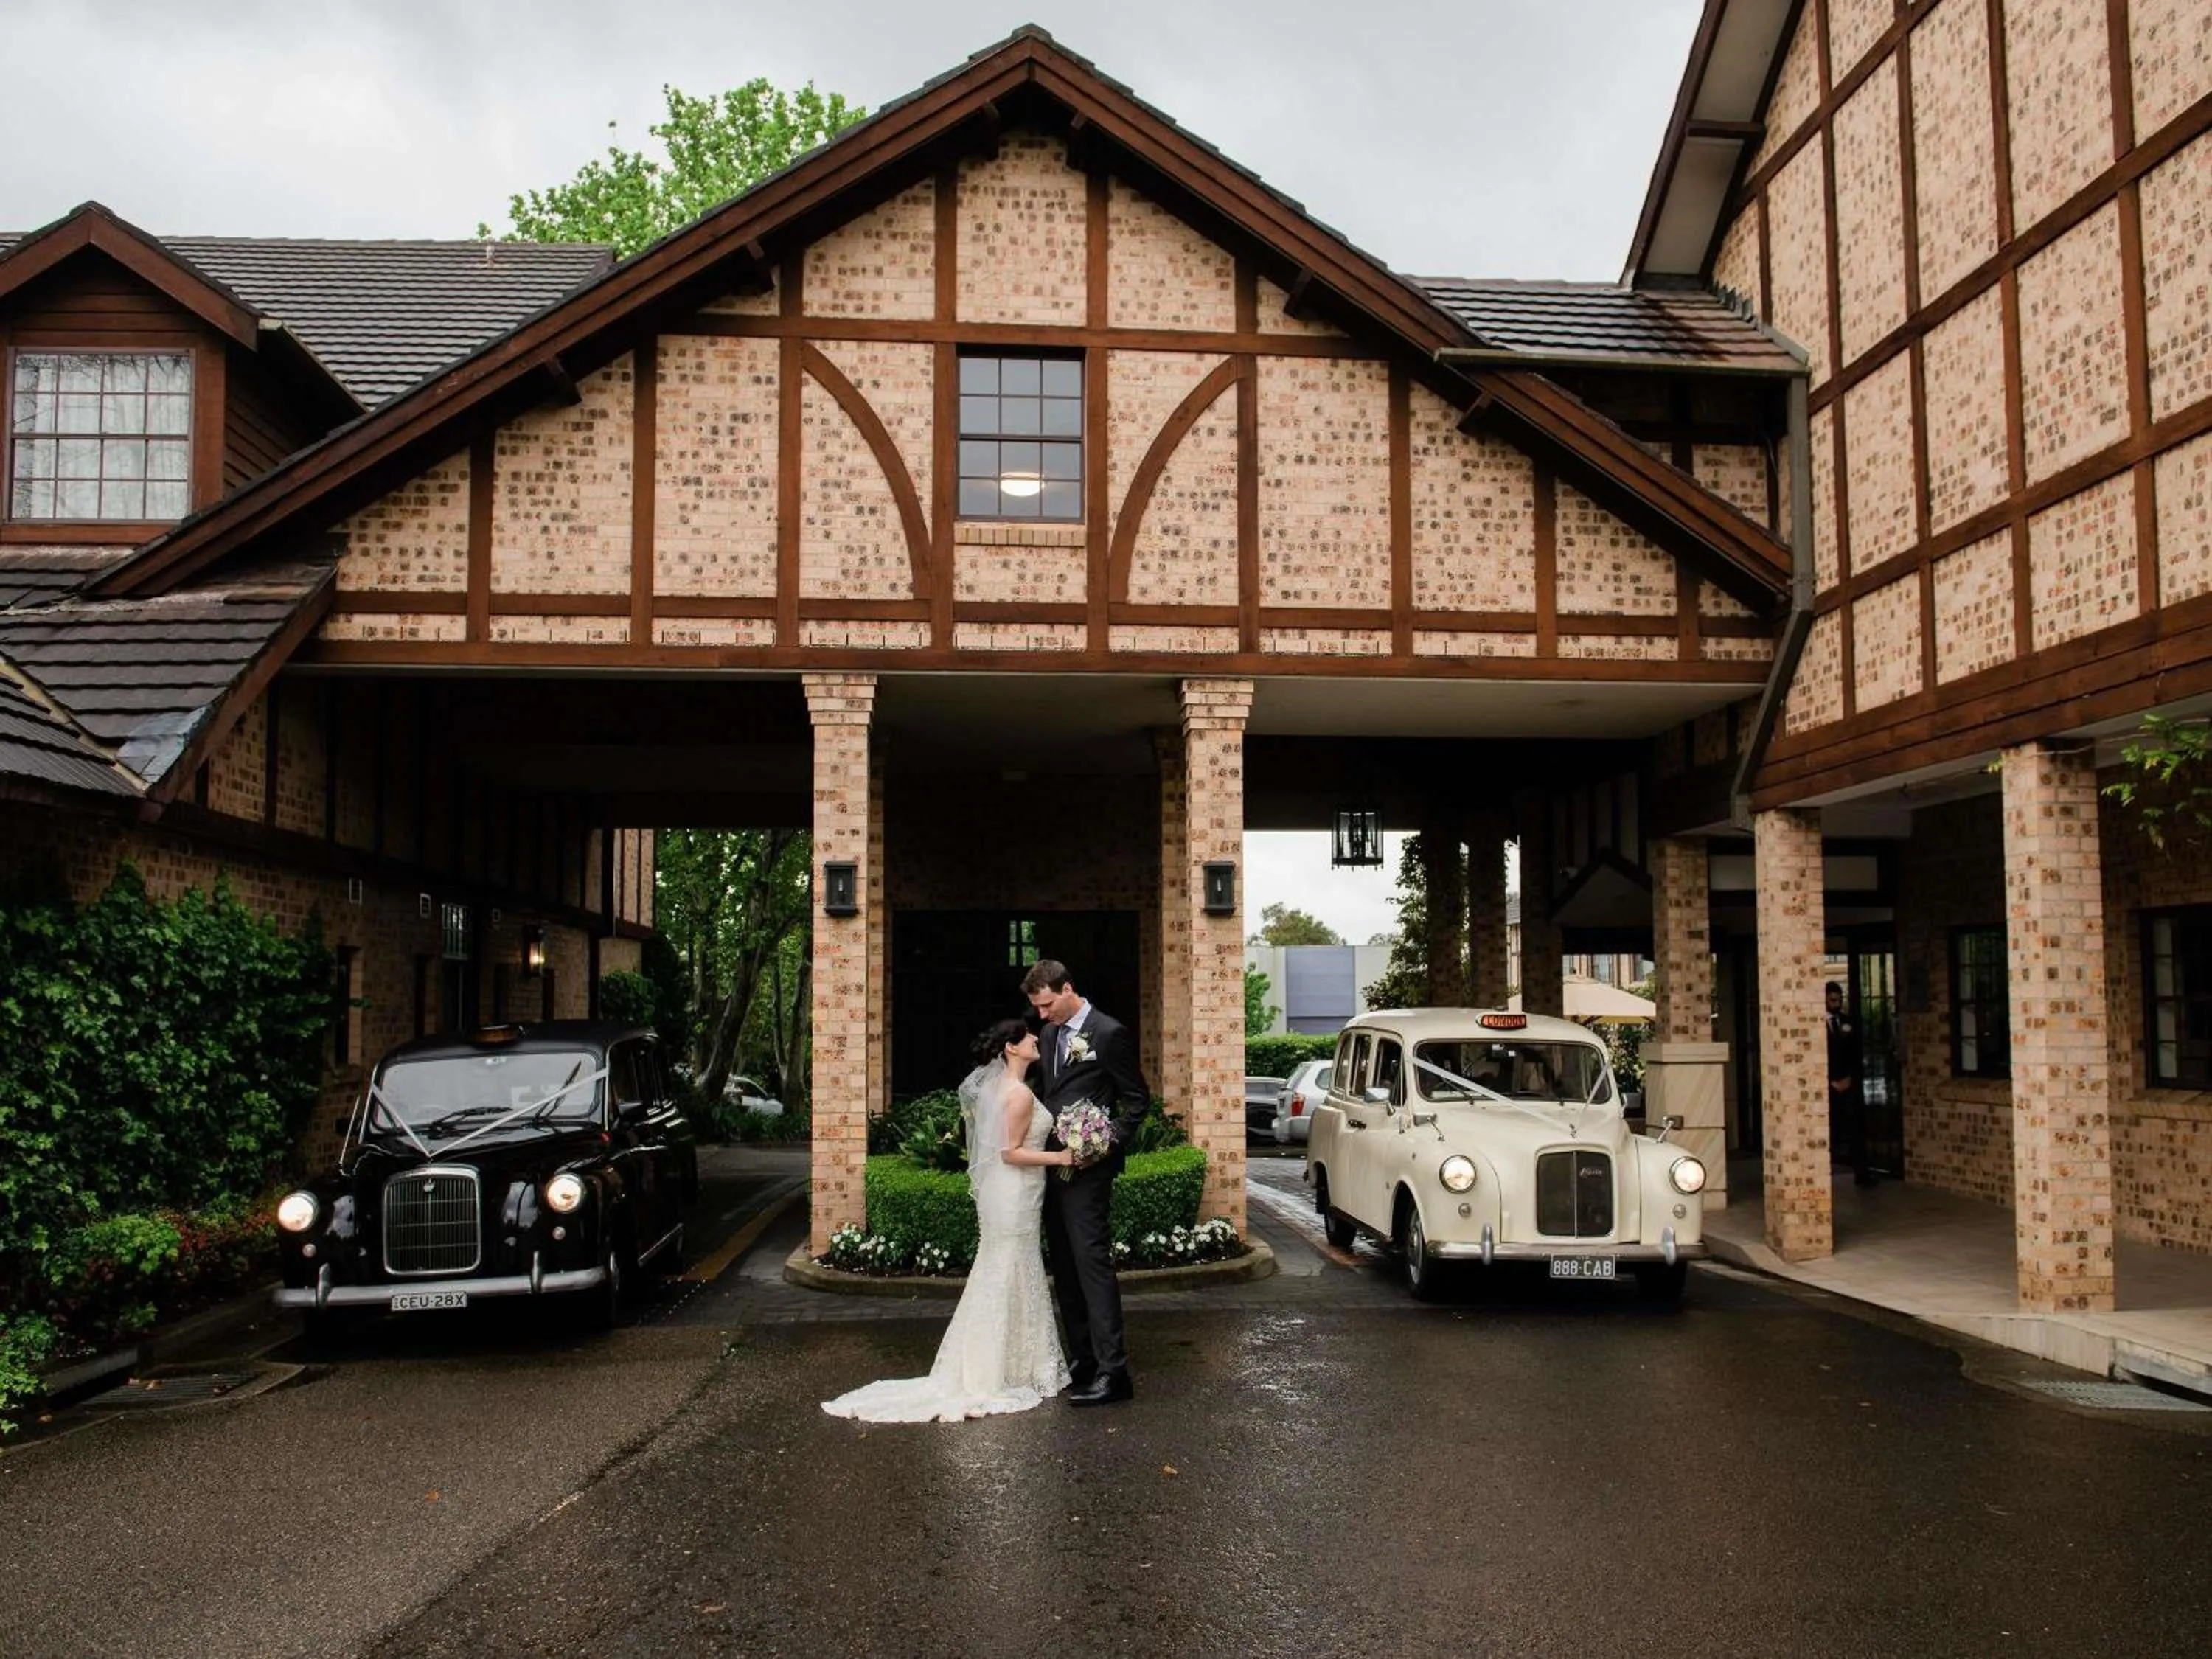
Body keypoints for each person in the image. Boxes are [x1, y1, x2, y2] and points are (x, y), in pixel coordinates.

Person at [821, 1019, 1073, 1422]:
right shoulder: (1021, 1094)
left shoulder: (995, 1089)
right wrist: (1061, 1157)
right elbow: (1011, 1152)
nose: (1033, 1040)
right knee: (1011, 1267)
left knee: (1000, 1268)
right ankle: (1008, 1368)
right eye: (1026, 1037)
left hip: (1005, 1194)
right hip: (1016, 1191)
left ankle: (1001, 1362)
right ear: (1011, 1048)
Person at [1023, 959, 1150, 1407]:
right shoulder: (1052, 1034)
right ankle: (1084, 1358)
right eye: (1037, 1008)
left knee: (1092, 1265)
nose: (1042, 1015)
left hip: (1089, 1170)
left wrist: (1103, 1142)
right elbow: (1051, 1094)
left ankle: (1115, 1373)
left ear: (1067, 988)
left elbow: (1136, 1101)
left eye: (1047, 1004)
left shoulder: (1109, 1033)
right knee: (1065, 1264)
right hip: (1051, 1165)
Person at [1826, 980, 1876, 1189]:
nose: (1837, 1003)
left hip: (1848, 1084)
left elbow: (1857, 1054)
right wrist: (1830, 1082)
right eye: (1832, 999)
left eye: (1839, 999)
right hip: (1828, 1086)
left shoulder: (1849, 1022)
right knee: (1831, 1132)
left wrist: (1851, 1079)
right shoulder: (1815, 1024)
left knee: (1856, 1129)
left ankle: (1862, 1175)